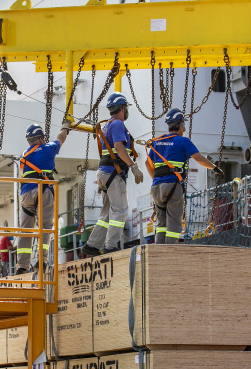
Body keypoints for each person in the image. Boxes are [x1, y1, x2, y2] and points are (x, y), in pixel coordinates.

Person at [81, 92, 144, 257]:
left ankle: (92, 245)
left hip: (104, 173)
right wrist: (133, 166)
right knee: (121, 210)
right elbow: (119, 146)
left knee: (106, 213)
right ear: (123, 108)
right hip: (114, 174)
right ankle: (111, 246)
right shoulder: (117, 124)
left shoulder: (106, 125)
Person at [145, 108, 218, 244]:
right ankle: (170, 253)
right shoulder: (183, 141)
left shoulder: (157, 141)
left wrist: (156, 179)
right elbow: (199, 159)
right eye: (183, 124)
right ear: (179, 125)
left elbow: (147, 163)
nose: (184, 128)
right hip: (173, 185)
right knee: (174, 221)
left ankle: (159, 252)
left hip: (156, 187)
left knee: (161, 223)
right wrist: (214, 168)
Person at [15, 122, 69, 275]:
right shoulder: (48, 148)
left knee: (25, 230)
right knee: (45, 225)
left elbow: (22, 176)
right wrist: (65, 127)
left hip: (26, 193)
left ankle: (22, 266)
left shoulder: (23, 155)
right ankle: (42, 259)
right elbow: (61, 138)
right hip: (43, 188)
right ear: (40, 139)